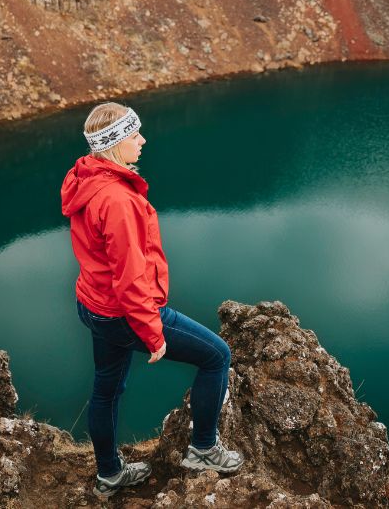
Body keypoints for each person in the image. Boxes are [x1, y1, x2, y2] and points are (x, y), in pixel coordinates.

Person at [61, 101, 245, 500]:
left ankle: (109, 473)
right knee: (216, 356)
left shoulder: (86, 177)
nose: (142, 141)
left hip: (95, 304)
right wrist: (152, 331)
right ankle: (204, 449)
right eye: (134, 134)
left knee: (106, 387)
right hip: (126, 311)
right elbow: (130, 277)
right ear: (113, 144)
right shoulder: (117, 200)